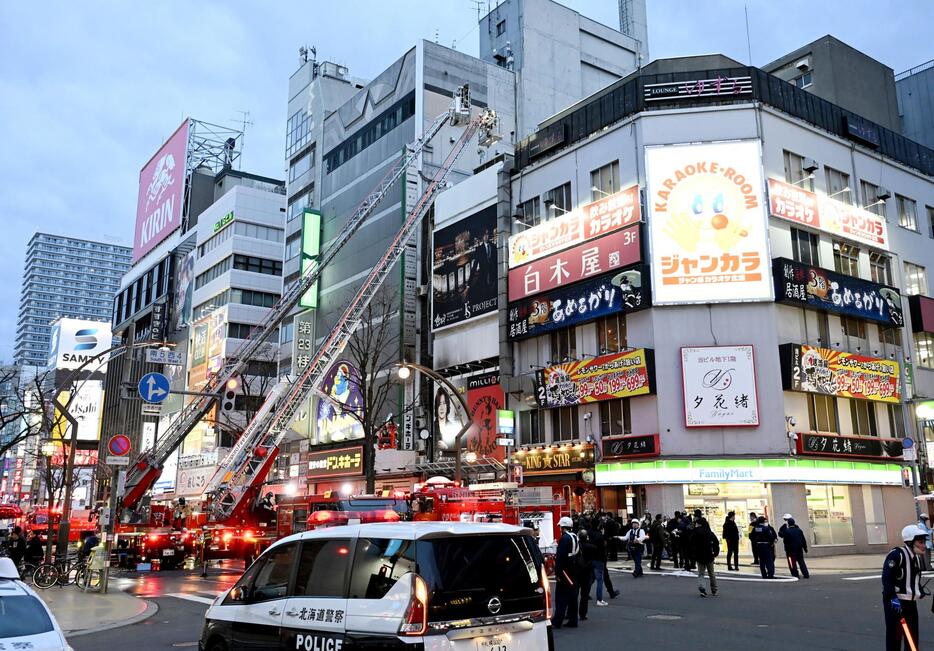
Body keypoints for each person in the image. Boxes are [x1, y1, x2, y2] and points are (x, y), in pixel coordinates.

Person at [882, 524, 928, 651]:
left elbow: (913, 579)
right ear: (910, 542)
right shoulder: (897, 555)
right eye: (920, 542)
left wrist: (919, 591)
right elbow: (887, 578)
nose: (924, 545)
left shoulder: (915, 557)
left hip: (910, 603)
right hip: (896, 602)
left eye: (924, 542)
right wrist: (892, 598)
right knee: (895, 637)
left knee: (912, 636)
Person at [552, 517, 581, 629]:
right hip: (574, 570)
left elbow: (560, 558)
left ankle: (557, 621)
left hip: (565, 570)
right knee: (573, 596)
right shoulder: (575, 536)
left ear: (563, 527)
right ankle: (573, 620)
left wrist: (558, 573)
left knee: (561, 597)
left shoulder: (564, 539)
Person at [689, 513, 720, 597]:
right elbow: (716, 543)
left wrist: (693, 554)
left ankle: (702, 589)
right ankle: (714, 590)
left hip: (699, 555)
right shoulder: (709, 532)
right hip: (709, 555)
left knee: (701, 573)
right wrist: (715, 553)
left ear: (699, 524)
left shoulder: (695, 532)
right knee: (711, 573)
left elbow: (691, 543)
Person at [577, 529, 598, 619]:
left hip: (577, 571)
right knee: (584, 595)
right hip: (588, 571)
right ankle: (583, 614)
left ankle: (570, 613)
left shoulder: (576, 546)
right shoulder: (592, 547)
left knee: (574, 593)